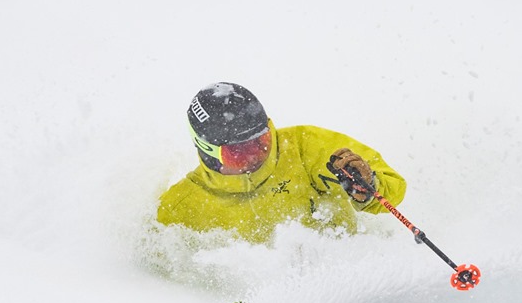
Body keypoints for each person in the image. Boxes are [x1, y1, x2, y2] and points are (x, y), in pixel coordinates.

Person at [157, 82, 406, 244]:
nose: (257, 154)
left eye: (262, 139)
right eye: (240, 152)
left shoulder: (305, 147)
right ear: (209, 151)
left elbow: (394, 187)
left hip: (347, 277)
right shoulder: (182, 207)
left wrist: (368, 187)